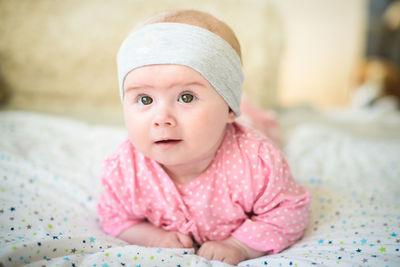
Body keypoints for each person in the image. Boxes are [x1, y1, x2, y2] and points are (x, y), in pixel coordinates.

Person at [97, 9, 310, 265]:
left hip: (247, 128)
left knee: (263, 126)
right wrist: (153, 237)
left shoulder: (257, 161)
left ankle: (253, 113)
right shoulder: (125, 169)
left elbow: (289, 212)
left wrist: (240, 245)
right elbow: (114, 217)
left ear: (230, 106)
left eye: (186, 97)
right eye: (145, 99)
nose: (161, 117)